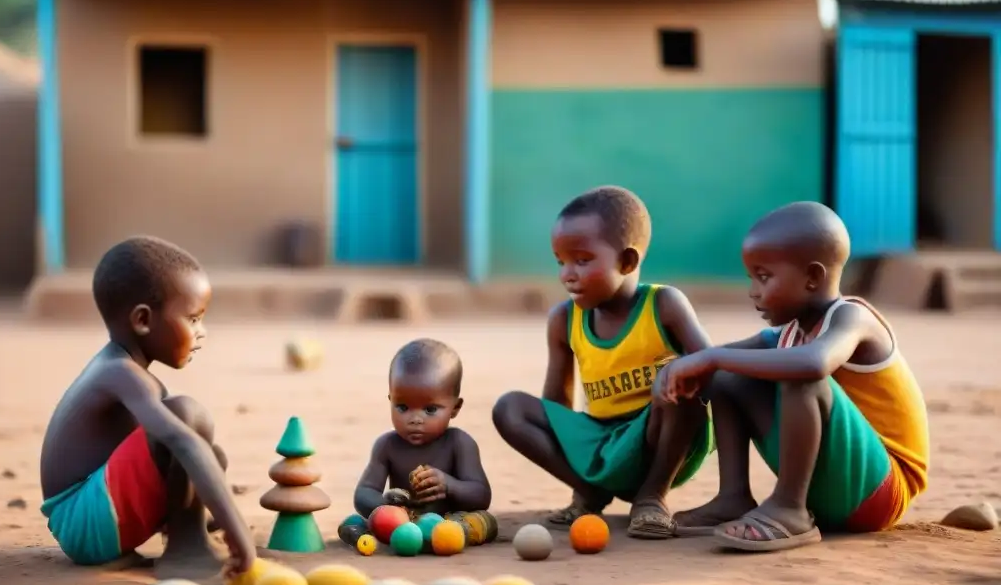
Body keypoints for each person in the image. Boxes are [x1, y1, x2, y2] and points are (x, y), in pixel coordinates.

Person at [659, 201, 930, 552]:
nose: (753, 291)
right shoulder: (792, 332)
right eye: (751, 278)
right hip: (837, 485)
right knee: (728, 374)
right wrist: (686, 367)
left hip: (882, 491)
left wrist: (710, 356)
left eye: (764, 276)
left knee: (799, 373)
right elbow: (727, 359)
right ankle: (733, 497)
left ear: (813, 277)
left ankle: (790, 509)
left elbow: (814, 364)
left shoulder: (853, 319)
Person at [492, 185, 714, 539]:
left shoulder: (664, 305)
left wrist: (675, 375)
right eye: (560, 261)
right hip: (602, 442)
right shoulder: (563, 320)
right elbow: (557, 405)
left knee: (680, 383)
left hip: (660, 441)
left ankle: (652, 498)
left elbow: (712, 369)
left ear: (627, 262)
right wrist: (570, 451)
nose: (567, 273)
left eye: (581, 260)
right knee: (510, 409)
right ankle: (590, 490)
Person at [39, 236, 256, 579]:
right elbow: (181, 439)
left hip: (95, 514)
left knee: (211, 455)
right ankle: (187, 547)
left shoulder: (126, 371)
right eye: (194, 319)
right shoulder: (120, 373)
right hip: (82, 522)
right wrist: (239, 533)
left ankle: (189, 530)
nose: (203, 333)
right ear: (143, 320)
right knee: (186, 416)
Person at [353, 338, 492, 518]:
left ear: (455, 408)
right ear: (391, 400)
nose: (415, 419)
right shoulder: (387, 446)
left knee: (478, 522)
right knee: (356, 524)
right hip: (403, 528)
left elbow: (481, 496)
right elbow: (364, 493)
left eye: (430, 409)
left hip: (448, 526)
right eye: (402, 407)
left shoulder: (459, 443)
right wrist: (388, 507)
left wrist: (449, 485)